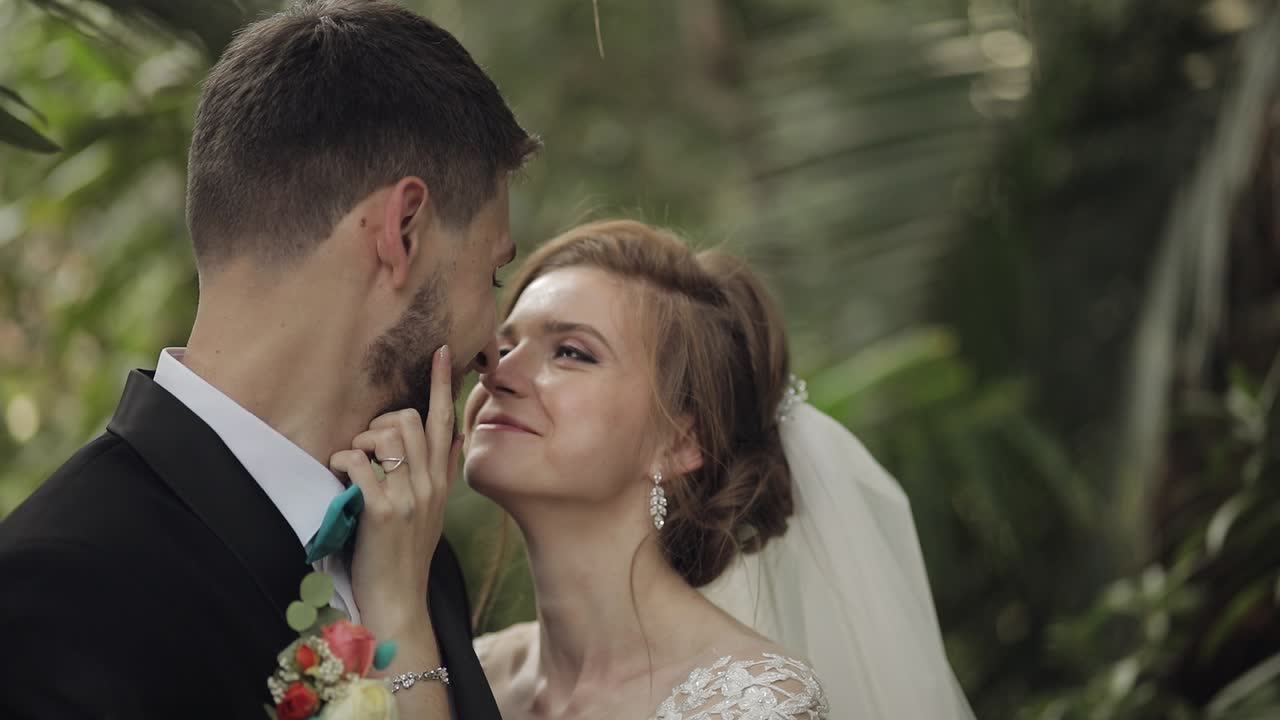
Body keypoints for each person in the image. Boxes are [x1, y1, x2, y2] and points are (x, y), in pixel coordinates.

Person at [0, 1, 537, 718]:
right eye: (492, 276)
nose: (492, 342)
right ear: (401, 230)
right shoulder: (55, 592)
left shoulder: (412, 554)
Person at [436, 218, 974, 718]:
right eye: (502, 344)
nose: (498, 373)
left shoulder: (750, 704)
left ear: (680, 442)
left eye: (572, 353)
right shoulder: (467, 670)